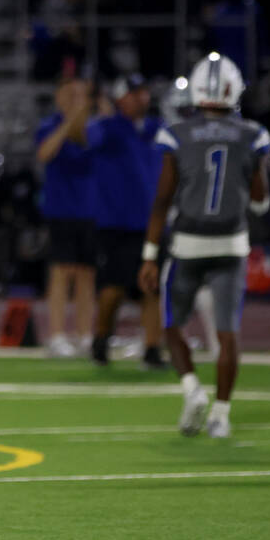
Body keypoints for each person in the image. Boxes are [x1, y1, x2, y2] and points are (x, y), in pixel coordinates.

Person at [139, 54, 270, 438]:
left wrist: (149, 254)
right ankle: (223, 414)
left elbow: (163, 200)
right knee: (227, 333)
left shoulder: (177, 134)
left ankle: (193, 389)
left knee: (172, 325)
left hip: (188, 244)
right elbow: (262, 203)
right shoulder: (252, 134)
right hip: (231, 244)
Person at [88, 74, 167, 369]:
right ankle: (101, 340)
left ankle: (152, 349)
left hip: (152, 222)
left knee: (152, 288)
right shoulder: (108, 128)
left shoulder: (158, 128)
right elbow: (86, 138)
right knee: (113, 287)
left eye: (143, 92)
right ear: (120, 99)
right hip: (117, 222)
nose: (140, 98)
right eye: (133, 93)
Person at [34, 77, 96, 358]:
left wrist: (83, 119)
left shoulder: (94, 127)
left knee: (86, 274)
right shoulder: (50, 125)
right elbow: (45, 153)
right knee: (61, 272)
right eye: (70, 93)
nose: (76, 99)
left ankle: (85, 335)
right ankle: (57, 334)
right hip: (61, 209)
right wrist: (70, 120)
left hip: (91, 209)